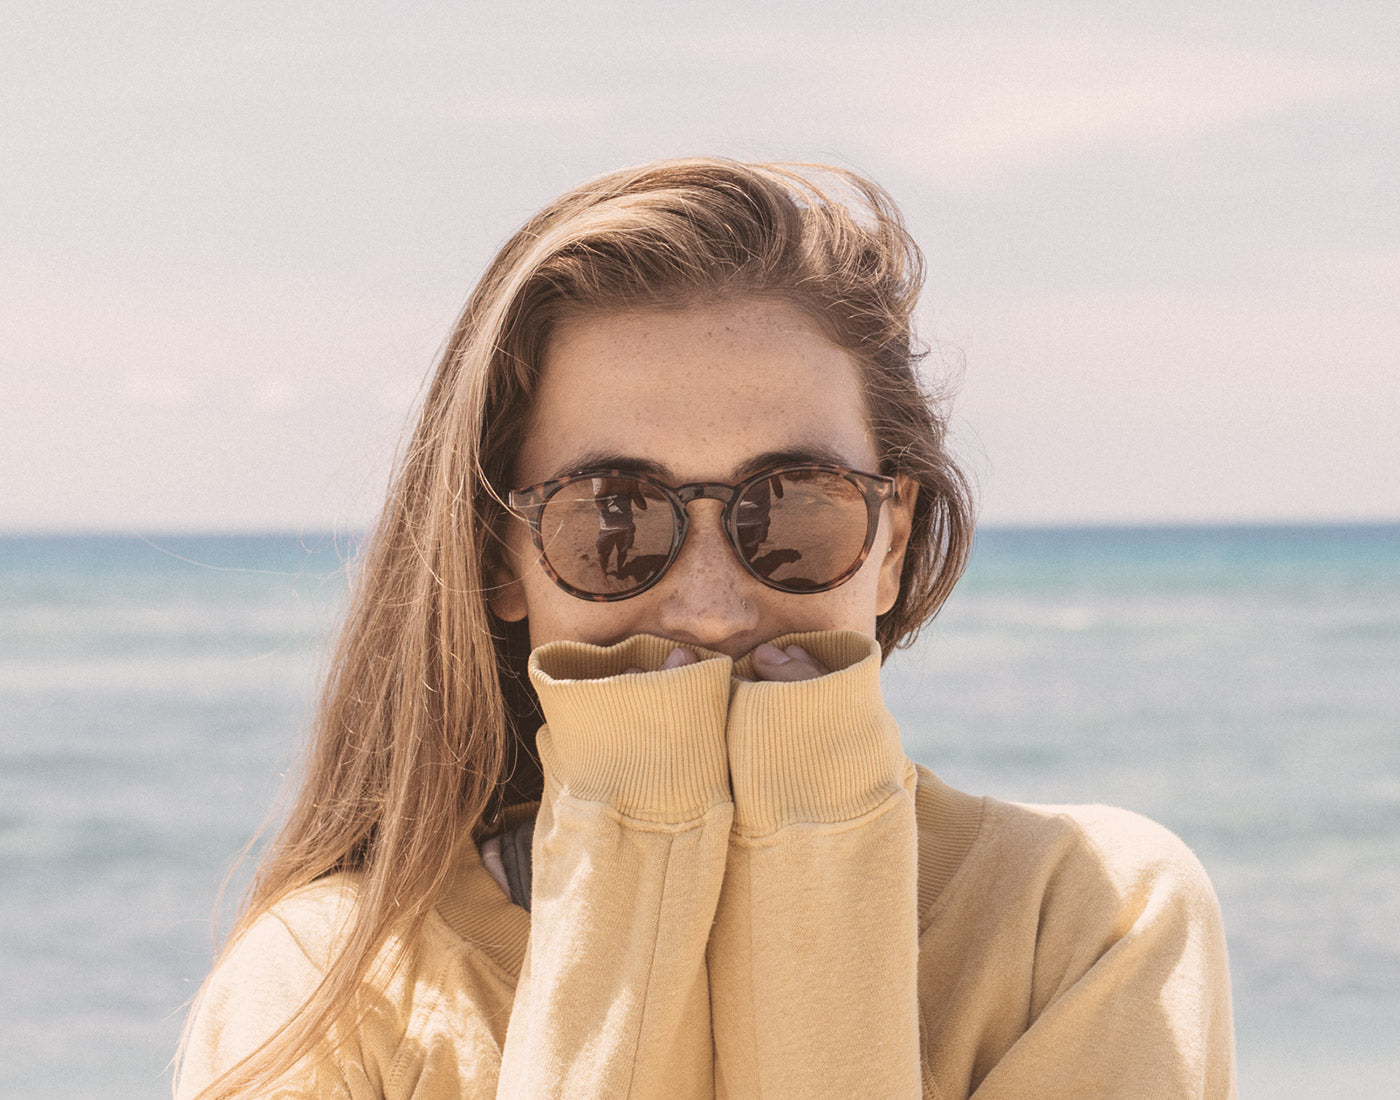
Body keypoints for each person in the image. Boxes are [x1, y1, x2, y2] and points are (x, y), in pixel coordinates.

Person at [175, 158, 1236, 1099]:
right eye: (613, 517)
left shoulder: (1086, 916)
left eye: (794, 506)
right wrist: (638, 827)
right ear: (500, 557)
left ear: (893, 539)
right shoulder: (324, 992)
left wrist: (810, 839)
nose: (710, 603)